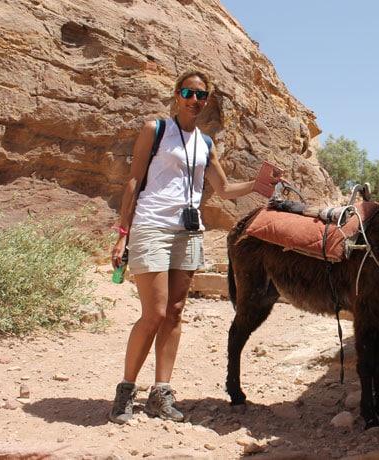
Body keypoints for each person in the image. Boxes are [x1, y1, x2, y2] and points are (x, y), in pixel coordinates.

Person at [108, 69, 280, 424]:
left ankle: (161, 392)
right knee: (153, 313)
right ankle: (126, 390)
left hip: (188, 232)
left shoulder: (205, 144)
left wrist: (259, 184)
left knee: (174, 312)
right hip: (152, 225)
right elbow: (134, 181)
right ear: (176, 95)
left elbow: (224, 188)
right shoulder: (155, 131)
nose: (195, 100)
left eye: (201, 96)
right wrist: (123, 231)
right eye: (188, 93)